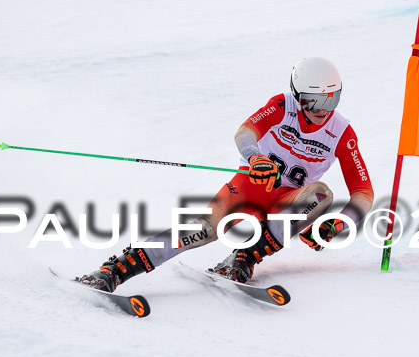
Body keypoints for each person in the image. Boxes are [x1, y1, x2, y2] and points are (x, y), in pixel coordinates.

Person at [77, 56, 374, 292]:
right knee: (203, 230)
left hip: (288, 203)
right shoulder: (282, 106)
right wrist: (256, 158)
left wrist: (339, 223)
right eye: (314, 101)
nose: (323, 110)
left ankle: (244, 257)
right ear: (298, 96)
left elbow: (363, 193)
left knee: (322, 194)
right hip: (250, 187)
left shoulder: (341, 132)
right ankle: (115, 270)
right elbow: (245, 132)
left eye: (331, 100)